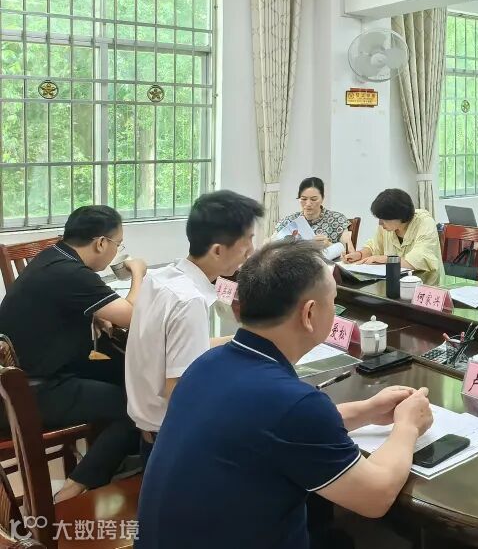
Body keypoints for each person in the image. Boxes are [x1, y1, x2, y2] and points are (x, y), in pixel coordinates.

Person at [135, 240, 434, 549]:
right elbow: (375, 496)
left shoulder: (206, 364)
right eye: (333, 301)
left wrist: (367, 411)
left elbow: (269, 428)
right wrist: (407, 425)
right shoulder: (292, 403)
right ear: (309, 314)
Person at [0, 205, 144, 502]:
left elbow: (58, 306)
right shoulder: (72, 274)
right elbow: (132, 315)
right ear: (101, 243)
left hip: (34, 370)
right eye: (118, 244)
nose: (117, 251)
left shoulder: (52, 257)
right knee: (134, 407)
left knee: (129, 373)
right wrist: (139, 273)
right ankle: (74, 489)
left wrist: (95, 314)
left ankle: (121, 454)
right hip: (32, 392)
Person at [126, 190, 264, 461]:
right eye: (247, 240)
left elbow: (173, 351)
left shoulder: (161, 278)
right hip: (172, 441)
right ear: (217, 250)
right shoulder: (189, 301)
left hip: (148, 428)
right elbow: (181, 393)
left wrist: (239, 340)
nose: (252, 250)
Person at [343, 188, 444, 284]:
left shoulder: (424, 222)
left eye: (384, 219)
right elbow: (374, 247)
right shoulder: (386, 227)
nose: (380, 223)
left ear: (400, 216)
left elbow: (419, 260)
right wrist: (359, 254)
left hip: (425, 285)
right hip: (393, 283)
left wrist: (386, 259)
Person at [275, 177, 354, 255]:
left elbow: (350, 252)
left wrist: (329, 245)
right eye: (304, 199)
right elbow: (270, 245)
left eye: (313, 199)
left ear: (322, 198)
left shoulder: (337, 219)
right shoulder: (289, 221)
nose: (308, 204)